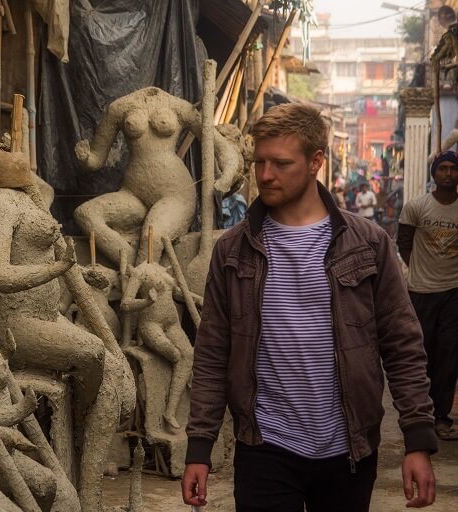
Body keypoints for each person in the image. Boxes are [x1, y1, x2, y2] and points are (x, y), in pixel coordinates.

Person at [181, 103, 437, 511]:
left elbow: (402, 346)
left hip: (348, 449)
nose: (265, 175)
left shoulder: (368, 244)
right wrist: (199, 447)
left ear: (316, 161)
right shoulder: (232, 251)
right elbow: (212, 352)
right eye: (259, 162)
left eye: (281, 163)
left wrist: (417, 440)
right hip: (264, 445)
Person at [397, 150, 458, 441]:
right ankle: (419, 413)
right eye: (442, 169)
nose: (448, 174)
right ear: (434, 174)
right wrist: (420, 271)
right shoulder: (416, 207)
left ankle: (441, 417)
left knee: (449, 355)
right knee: (421, 354)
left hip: (454, 292)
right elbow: (404, 243)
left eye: (453, 169)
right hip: (421, 291)